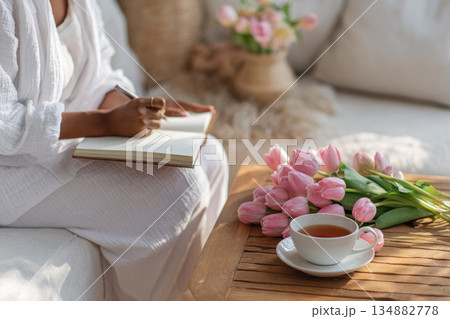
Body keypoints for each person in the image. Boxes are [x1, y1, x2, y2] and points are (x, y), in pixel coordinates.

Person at [0, 0, 228, 300]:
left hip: (67, 141)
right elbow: (5, 123)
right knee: (180, 187)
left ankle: (201, 294)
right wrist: (104, 123)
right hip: (14, 171)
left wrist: (145, 111)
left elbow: (99, 75)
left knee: (210, 154)